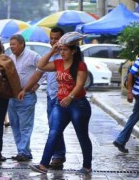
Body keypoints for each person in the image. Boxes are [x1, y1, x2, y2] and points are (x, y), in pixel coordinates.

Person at [29, 32, 93, 175]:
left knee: (81, 135)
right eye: (61, 50)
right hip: (60, 104)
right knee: (54, 132)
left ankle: (87, 166)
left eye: (65, 50)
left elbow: (80, 85)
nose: (62, 53)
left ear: (73, 51)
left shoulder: (80, 66)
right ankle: (43, 165)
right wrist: (53, 50)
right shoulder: (58, 63)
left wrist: (70, 96)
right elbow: (41, 65)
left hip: (78, 105)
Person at [18, 26, 66, 169]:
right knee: (54, 127)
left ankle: (56, 158)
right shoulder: (48, 55)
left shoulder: (67, 54)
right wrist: (26, 89)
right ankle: (58, 155)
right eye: (51, 38)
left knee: (56, 128)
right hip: (51, 96)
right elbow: (39, 72)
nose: (53, 41)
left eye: (56, 39)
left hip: (63, 96)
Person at [7, 34, 41, 161]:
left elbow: (44, 69)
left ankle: (23, 152)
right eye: (10, 44)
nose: (11, 47)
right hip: (12, 96)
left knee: (25, 125)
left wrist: (38, 83)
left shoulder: (33, 56)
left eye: (14, 44)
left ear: (22, 44)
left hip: (27, 96)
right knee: (15, 124)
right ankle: (22, 151)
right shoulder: (10, 58)